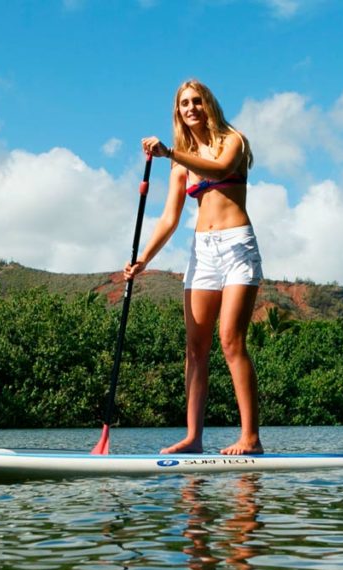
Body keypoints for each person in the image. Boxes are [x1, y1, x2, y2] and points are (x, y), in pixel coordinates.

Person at [125, 79, 263, 455]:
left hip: (237, 246)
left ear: (209, 105)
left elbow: (219, 171)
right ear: (178, 112)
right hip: (202, 253)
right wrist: (142, 261)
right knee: (195, 349)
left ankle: (250, 437)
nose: (191, 108)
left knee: (231, 341)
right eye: (184, 103)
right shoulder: (180, 166)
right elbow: (169, 219)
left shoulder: (233, 140)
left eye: (197, 101)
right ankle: (193, 437)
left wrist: (171, 153)